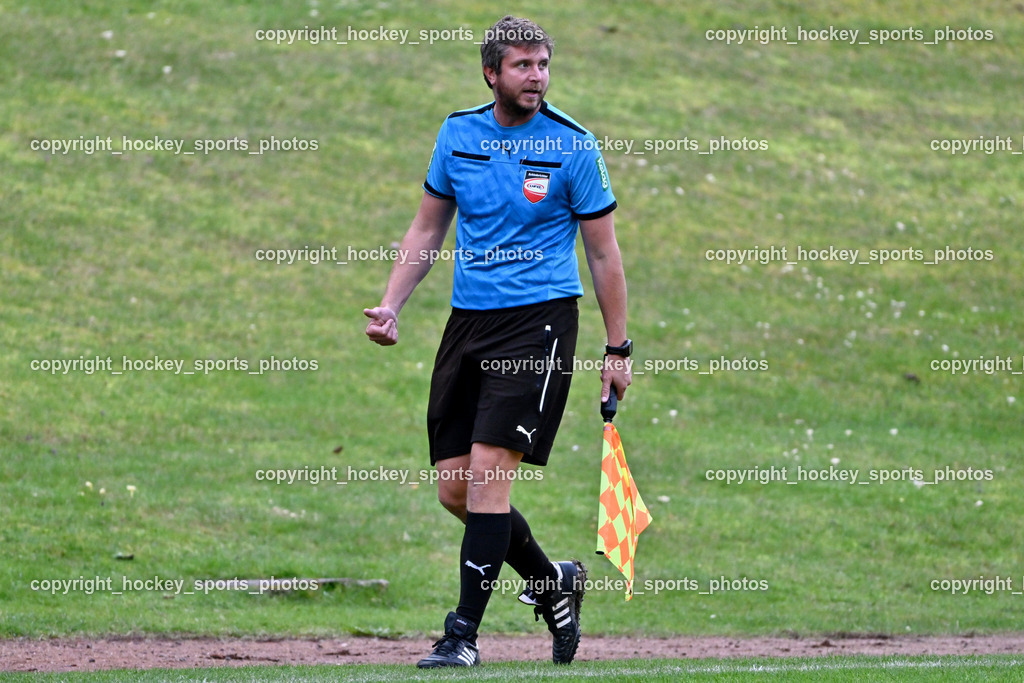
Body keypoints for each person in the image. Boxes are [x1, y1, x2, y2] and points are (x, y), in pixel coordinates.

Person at [363, 14, 631, 668]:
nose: (536, 76)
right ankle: (552, 582)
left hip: (539, 324)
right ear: (492, 73)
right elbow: (428, 227)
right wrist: (392, 303)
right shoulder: (458, 134)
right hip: (468, 323)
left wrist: (617, 349)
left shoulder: (572, 146)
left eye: (543, 64)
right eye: (523, 65)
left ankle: (461, 636)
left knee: (487, 479)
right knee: (456, 489)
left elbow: (603, 254)